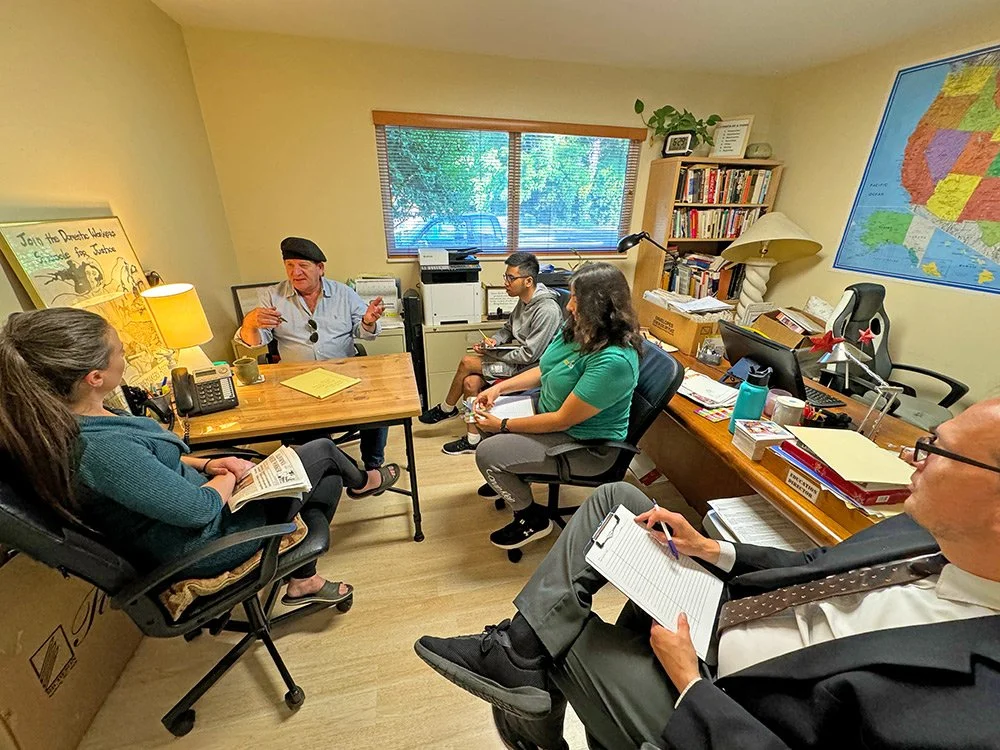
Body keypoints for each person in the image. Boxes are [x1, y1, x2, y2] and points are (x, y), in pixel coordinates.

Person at [415, 399, 1000, 750]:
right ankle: (522, 661)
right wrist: (710, 549)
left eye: (937, 450)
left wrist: (689, 679)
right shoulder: (921, 533)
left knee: (556, 636)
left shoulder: (976, 713)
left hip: (721, 707)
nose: (910, 457)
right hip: (717, 614)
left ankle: (526, 673)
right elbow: (810, 568)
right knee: (616, 500)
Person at [0, 307, 399, 607]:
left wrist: (210, 464)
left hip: (198, 508)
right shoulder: (100, 449)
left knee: (324, 473)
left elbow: (151, 468)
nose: (124, 355)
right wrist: (229, 476)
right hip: (206, 542)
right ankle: (363, 484)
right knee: (325, 453)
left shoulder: (81, 415)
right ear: (94, 376)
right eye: (119, 351)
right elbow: (194, 510)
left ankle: (303, 578)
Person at [471, 262, 642, 551]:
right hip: (550, 411)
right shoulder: (579, 328)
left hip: (584, 443)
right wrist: (499, 388)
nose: (569, 305)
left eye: (576, 298)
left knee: (487, 452)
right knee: (488, 413)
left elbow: (562, 420)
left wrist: (502, 425)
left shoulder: (613, 360)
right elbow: (544, 369)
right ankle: (510, 478)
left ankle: (532, 518)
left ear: (598, 305)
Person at [236, 236, 390, 477]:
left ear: (320, 268)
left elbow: (365, 333)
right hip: (296, 383)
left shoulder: (344, 293)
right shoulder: (272, 296)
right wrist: (250, 323)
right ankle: (340, 471)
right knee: (304, 435)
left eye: (303, 265)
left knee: (380, 409)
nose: (295, 272)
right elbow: (257, 342)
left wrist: (368, 321)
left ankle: (372, 465)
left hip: (343, 377)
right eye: (289, 265)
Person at [419, 252, 563, 456]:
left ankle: (447, 408)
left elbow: (529, 355)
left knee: (467, 362)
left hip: (529, 370)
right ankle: (473, 439)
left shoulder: (546, 310)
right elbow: (507, 329)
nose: (506, 282)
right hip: (517, 362)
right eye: (506, 277)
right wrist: (495, 341)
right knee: (470, 383)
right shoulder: (524, 301)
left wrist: (492, 354)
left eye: (510, 278)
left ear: (528, 281)